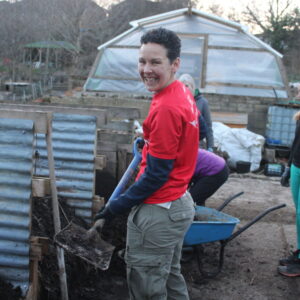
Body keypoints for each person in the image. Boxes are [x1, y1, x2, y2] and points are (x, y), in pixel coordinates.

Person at [95, 28, 199, 299]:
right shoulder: (180, 92)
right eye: (142, 61)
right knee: (169, 276)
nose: (146, 69)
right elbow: (177, 143)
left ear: (175, 64)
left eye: (155, 62)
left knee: (146, 288)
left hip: (159, 210)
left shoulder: (166, 107)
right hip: (178, 202)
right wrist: (151, 143)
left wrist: (115, 206)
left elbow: (155, 176)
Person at [278, 111, 300, 277]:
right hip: (297, 166)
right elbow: (296, 143)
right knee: (298, 215)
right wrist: (288, 168)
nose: (298, 95)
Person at [179, 73, 214, 151]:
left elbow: (208, 126)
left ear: (192, 87)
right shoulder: (177, 102)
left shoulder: (202, 102)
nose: (184, 88)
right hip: (180, 144)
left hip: (197, 144)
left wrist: (210, 146)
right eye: (182, 86)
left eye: (187, 85)